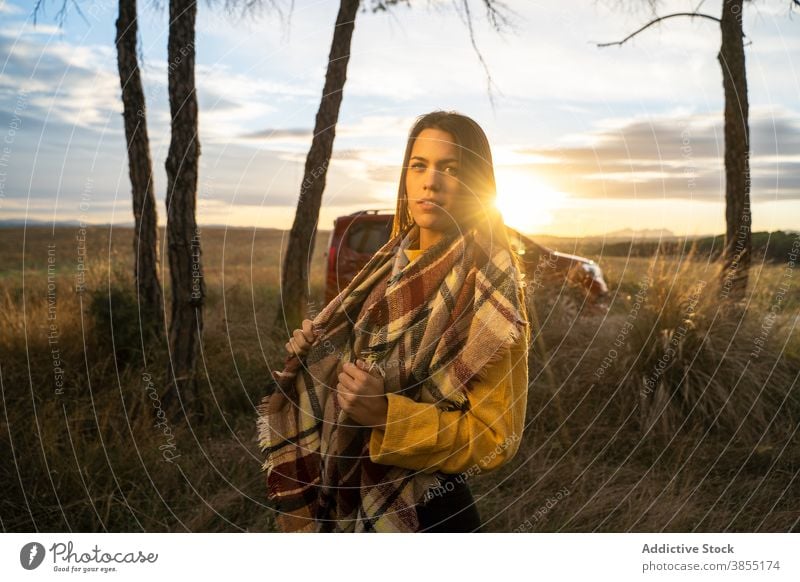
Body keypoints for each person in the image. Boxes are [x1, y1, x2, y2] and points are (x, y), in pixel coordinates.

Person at [257, 110, 530, 533]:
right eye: (419, 166)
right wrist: (318, 354)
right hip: (348, 485)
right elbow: (366, 361)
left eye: (451, 169)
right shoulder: (386, 265)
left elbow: (496, 439)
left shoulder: (490, 287)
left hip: (430, 509)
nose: (430, 181)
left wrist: (387, 416)